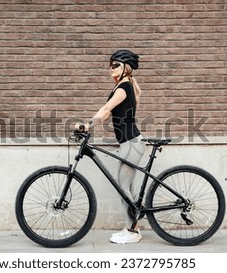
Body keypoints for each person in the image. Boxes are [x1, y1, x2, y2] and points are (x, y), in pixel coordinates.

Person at [77, 49, 146, 244]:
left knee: (122, 186)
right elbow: (107, 113)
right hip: (129, 144)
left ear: (126, 68)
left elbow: (106, 109)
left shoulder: (123, 88)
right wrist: (91, 123)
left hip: (132, 144)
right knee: (127, 187)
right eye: (110, 65)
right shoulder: (124, 87)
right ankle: (132, 227)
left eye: (115, 65)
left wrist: (87, 124)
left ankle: (132, 232)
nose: (111, 69)